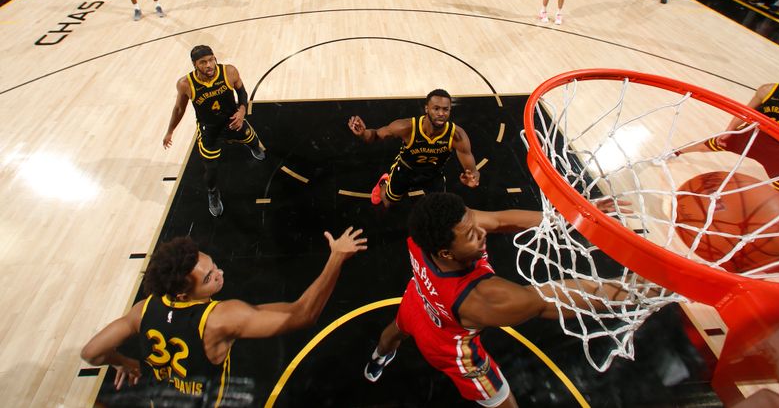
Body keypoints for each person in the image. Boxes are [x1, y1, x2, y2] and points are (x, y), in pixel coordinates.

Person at [364, 192, 635, 407]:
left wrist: (577, 216)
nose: (480, 232)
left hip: (418, 302)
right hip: (451, 350)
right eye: (471, 235)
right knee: (501, 397)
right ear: (446, 253)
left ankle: (378, 358)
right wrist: (634, 292)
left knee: (393, 333)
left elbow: (501, 220)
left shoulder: (425, 237)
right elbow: (555, 299)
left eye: (473, 223)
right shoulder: (481, 298)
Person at [81, 227, 367, 405]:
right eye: (209, 278)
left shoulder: (143, 309)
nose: (220, 274)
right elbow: (303, 314)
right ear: (184, 294)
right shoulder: (220, 318)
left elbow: (92, 352)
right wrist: (336, 259)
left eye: (214, 265)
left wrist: (124, 363)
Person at [163, 45, 265, 217]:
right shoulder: (185, 84)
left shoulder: (229, 71)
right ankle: (213, 193)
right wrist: (170, 131)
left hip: (232, 120)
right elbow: (179, 109)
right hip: (209, 128)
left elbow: (242, 92)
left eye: (211, 60)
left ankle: (254, 147)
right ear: (195, 64)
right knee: (211, 169)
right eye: (203, 62)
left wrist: (241, 111)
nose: (209, 65)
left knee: (251, 139)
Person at [676, 62, 779, 194]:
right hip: (753, 135)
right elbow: (745, 113)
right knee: (708, 144)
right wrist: (729, 130)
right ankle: (675, 152)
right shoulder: (768, 90)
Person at [347, 89, 480, 208]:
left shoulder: (457, 135)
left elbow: (472, 170)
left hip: (433, 173)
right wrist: (363, 133)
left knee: (438, 207)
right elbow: (376, 135)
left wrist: (473, 178)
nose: (441, 113)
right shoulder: (407, 127)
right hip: (406, 170)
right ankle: (383, 183)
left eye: (445, 109)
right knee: (389, 203)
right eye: (436, 108)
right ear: (427, 109)